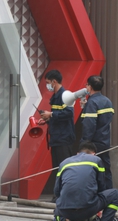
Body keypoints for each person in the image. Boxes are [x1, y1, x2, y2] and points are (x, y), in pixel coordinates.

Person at [53, 141, 118, 221]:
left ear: (78, 153)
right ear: (94, 153)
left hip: (65, 211)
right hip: (87, 209)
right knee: (116, 194)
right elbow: (101, 187)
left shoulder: (64, 163)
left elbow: (57, 191)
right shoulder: (96, 160)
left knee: (59, 205)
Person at [38, 70, 76, 202]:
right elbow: (59, 116)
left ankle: (65, 196)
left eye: (48, 83)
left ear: (54, 82)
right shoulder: (55, 96)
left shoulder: (65, 95)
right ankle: (58, 195)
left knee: (64, 168)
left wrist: (51, 115)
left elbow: (69, 114)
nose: (47, 85)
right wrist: (47, 119)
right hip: (56, 137)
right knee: (57, 168)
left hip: (63, 138)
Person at [80, 75, 114, 189]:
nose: (86, 87)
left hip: (93, 144)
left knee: (91, 171)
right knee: (105, 169)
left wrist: (85, 144)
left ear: (90, 87)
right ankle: (109, 194)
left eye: (87, 85)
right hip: (105, 141)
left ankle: (94, 197)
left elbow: (89, 125)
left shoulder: (92, 103)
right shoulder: (107, 101)